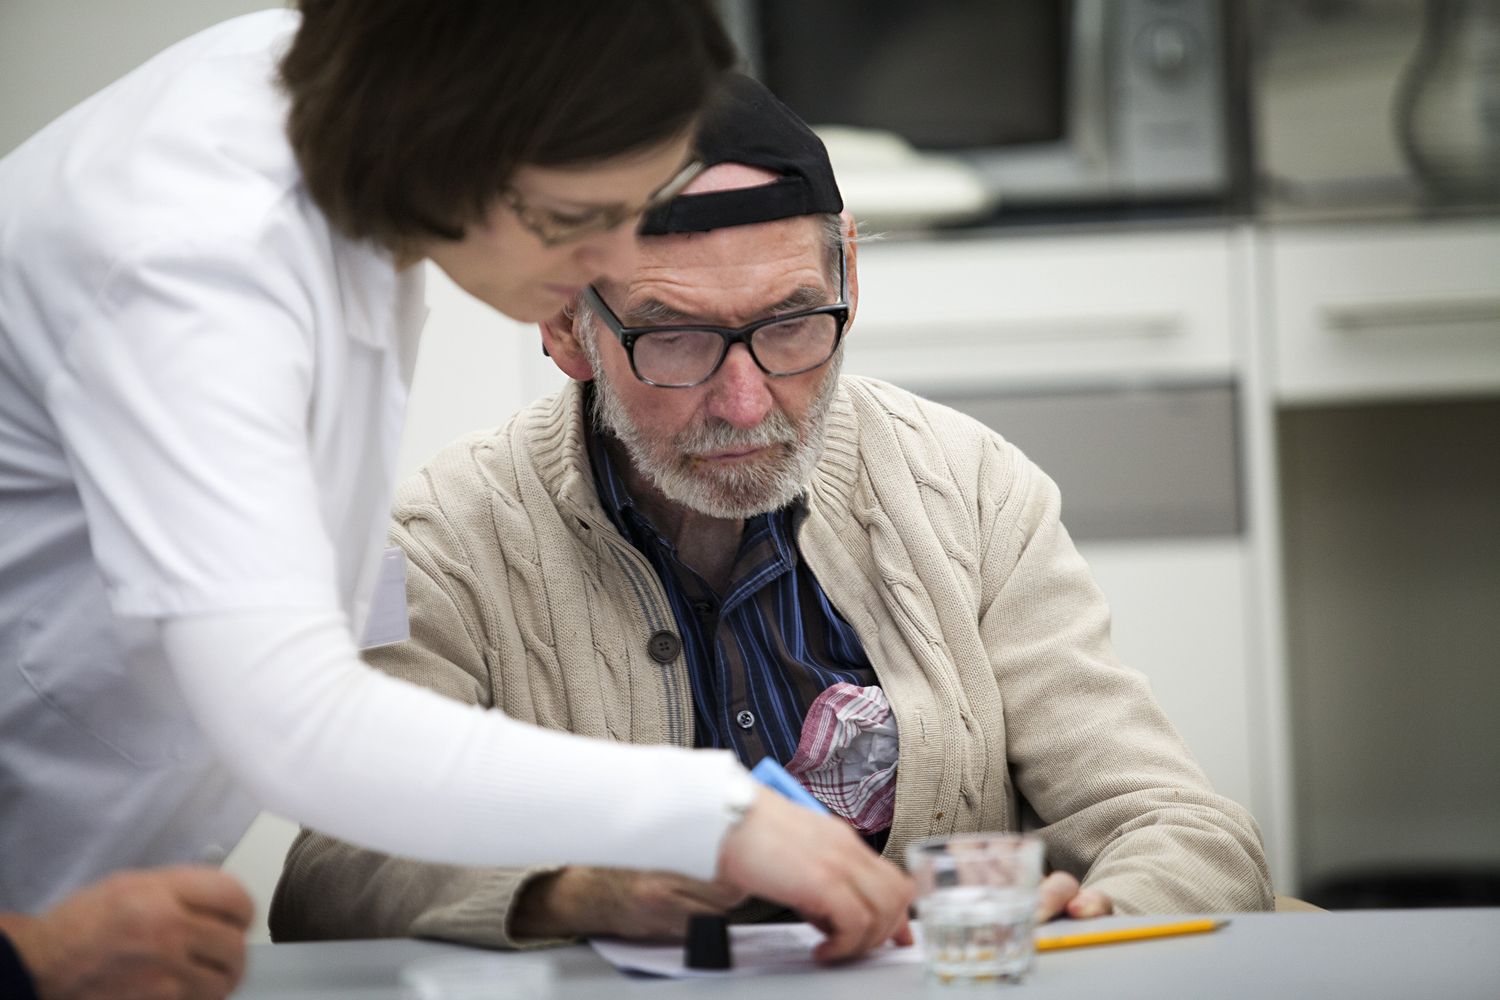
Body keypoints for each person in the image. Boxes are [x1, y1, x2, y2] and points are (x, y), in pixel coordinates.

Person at [0, 3, 912, 995]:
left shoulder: (344, 119)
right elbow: (296, 721)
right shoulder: (187, 258)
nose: (612, 263)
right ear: (438, 139)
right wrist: (713, 812)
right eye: (576, 221)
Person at [269, 75, 1274, 951]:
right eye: (674, 339)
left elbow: (1181, 826)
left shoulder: (970, 492)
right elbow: (331, 876)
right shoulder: (447, 542)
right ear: (565, 326)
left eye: (793, 324)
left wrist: (1083, 921)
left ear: (848, 269)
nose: (747, 405)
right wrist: (576, 892)